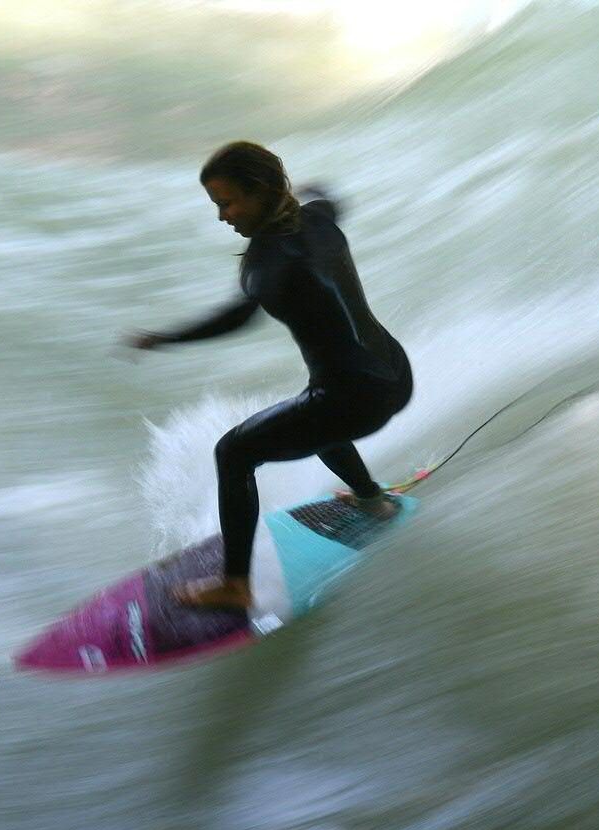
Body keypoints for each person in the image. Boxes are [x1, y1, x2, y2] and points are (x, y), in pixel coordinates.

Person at [125, 141, 413, 611]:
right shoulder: (319, 217)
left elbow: (236, 318)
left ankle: (235, 586)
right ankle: (370, 500)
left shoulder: (266, 264)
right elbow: (328, 195)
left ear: (259, 191)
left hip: (356, 399)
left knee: (233, 453)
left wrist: (164, 338)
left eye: (227, 203)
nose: (222, 216)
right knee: (314, 417)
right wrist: (305, 189)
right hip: (395, 376)